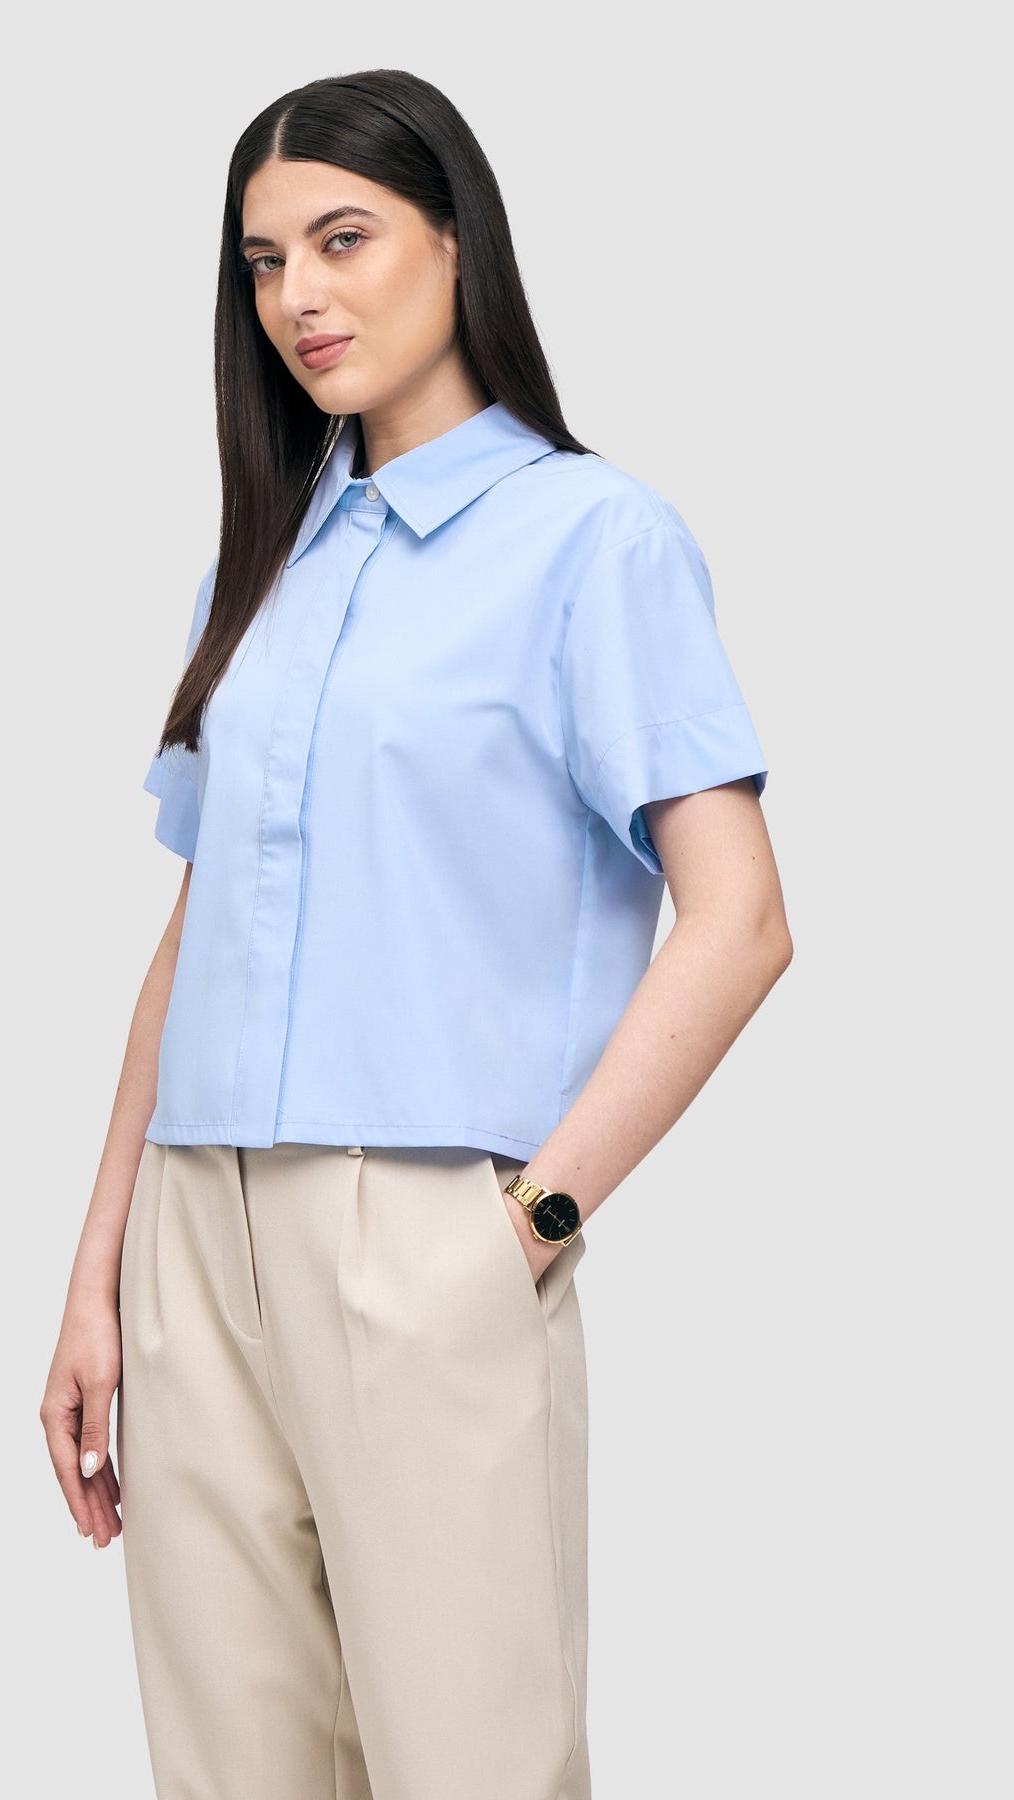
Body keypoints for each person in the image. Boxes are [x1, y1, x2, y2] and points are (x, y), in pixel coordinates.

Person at [40, 66, 792, 1800]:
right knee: (231, 1773)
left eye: (344, 239)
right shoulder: (269, 556)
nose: (297, 296)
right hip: (193, 1236)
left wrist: (527, 1224)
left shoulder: (594, 540)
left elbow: (742, 918)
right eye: (262, 262)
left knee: (470, 1766)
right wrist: (98, 1276)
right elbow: (193, 931)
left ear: (458, 244)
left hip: (427, 1233)